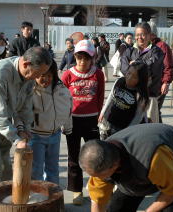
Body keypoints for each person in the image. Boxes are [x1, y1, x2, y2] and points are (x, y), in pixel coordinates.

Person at [0, 47, 52, 189]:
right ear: (26, 64)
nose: (38, 78)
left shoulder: (29, 76)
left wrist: (24, 128)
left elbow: (24, 108)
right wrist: (17, 139)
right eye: (37, 74)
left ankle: (6, 203)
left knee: (6, 167)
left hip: (5, 120)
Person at [79, 123, 173, 212]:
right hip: (141, 164)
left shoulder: (153, 158)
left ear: (114, 166)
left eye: (102, 176)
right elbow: (97, 199)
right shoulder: (101, 156)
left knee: (171, 209)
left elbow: (171, 191)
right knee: (117, 207)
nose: (98, 179)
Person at [61, 40, 105, 205]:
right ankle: (76, 190)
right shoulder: (68, 75)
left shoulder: (98, 73)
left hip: (91, 120)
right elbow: (61, 98)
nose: (82, 62)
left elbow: (100, 95)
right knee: (74, 156)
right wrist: (63, 118)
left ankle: (96, 186)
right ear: (75, 57)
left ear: (92, 58)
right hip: (72, 121)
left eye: (86, 58)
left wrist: (99, 114)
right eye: (79, 58)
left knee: (96, 155)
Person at [29, 59, 72, 184]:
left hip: (55, 134)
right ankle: (37, 197)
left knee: (53, 168)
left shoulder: (61, 89)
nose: (46, 79)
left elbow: (68, 109)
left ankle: (53, 196)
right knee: (35, 170)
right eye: (42, 76)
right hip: (35, 136)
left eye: (49, 76)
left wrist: (68, 127)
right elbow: (20, 112)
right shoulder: (29, 90)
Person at [121, 22, 164, 123]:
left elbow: (151, 66)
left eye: (143, 34)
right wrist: (137, 67)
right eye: (137, 35)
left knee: (149, 128)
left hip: (149, 96)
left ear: (150, 35)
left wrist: (135, 65)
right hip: (131, 96)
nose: (140, 37)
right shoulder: (129, 51)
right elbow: (124, 69)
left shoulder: (157, 52)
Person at [98, 62, 149, 139]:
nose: (129, 78)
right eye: (128, 73)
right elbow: (111, 97)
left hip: (124, 128)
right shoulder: (119, 81)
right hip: (110, 122)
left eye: (134, 77)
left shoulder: (141, 95)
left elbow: (138, 117)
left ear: (141, 80)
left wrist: (128, 131)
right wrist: (103, 113)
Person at [150, 22, 173, 123]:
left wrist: (166, 82)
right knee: (151, 111)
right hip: (149, 85)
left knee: (155, 111)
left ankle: (159, 133)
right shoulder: (147, 46)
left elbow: (168, 66)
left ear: (153, 34)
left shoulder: (162, 46)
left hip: (159, 84)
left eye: (146, 33)